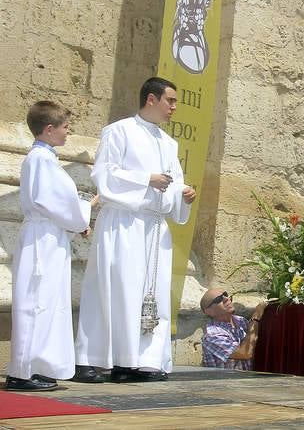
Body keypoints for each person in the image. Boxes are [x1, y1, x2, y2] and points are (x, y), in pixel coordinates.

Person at [74, 77, 196, 383]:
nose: (174, 108)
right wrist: (146, 179)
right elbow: (105, 174)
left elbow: (173, 180)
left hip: (154, 227)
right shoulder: (119, 131)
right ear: (151, 99)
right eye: (171, 100)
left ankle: (139, 361)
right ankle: (92, 359)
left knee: (148, 296)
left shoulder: (169, 143)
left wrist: (183, 194)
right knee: (115, 289)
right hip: (124, 223)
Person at [5, 102, 96, 391]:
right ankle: (22, 371)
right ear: (49, 129)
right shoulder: (40, 160)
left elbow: (58, 203)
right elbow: (50, 202)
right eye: (65, 127)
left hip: (50, 237)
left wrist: (77, 218)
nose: (68, 133)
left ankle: (37, 365)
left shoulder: (45, 159)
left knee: (48, 302)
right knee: (35, 302)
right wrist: (85, 209)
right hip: (42, 240)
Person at [200, 289, 267, 370]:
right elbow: (245, 353)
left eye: (225, 294)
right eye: (218, 299)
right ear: (209, 311)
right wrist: (256, 317)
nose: (227, 299)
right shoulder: (212, 335)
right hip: (225, 382)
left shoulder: (240, 321)